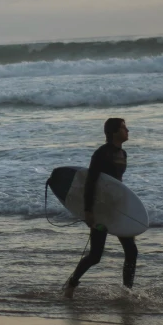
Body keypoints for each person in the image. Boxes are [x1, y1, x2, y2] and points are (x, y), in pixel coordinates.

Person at [64, 118, 138, 299]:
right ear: (114, 131)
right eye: (123, 127)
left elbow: (116, 185)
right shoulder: (101, 154)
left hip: (117, 209)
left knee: (131, 251)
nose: (127, 130)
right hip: (100, 211)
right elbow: (91, 182)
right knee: (95, 255)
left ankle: (127, 292)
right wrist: (88, 211)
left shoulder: (123, 154)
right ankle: (71, 283)